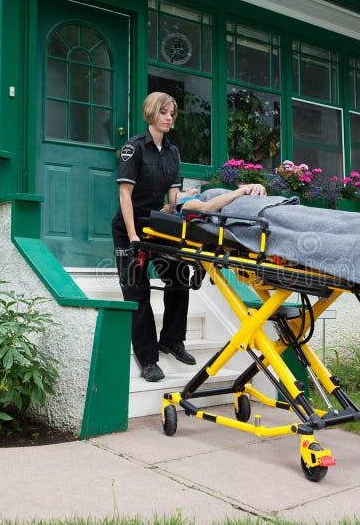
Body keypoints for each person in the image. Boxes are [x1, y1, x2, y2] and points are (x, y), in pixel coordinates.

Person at [112, 92, 196, 382]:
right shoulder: (133, 149)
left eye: (172, 113)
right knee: (138, 291)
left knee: (179, 276)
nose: (169, 117)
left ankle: (172, 339)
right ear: (151, 113)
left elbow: (172, 197)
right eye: (163, 112)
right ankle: (148, 359)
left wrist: (186, 199)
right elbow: (125, 194)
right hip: (129, 228)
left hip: (158, 224)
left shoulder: (173, 152)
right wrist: (133, 234)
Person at [172, 183, 267, 214]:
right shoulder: (183, 205)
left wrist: (256, 187)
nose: (187, 189)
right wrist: (241, 191)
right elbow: (205, 208)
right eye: (183, 192)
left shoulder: (205, 197)